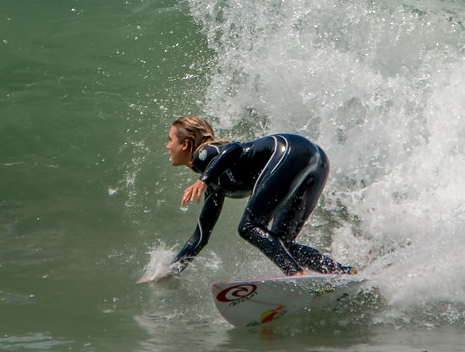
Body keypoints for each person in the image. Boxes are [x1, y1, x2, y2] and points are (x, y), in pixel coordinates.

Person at [148, 115, 353, 282]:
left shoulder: (205, 154)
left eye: (170, 140)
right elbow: (199, 238)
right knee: (281, 244)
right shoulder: (215, 186)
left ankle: (296, 275)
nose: (167, 146)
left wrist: (203, 180)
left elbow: (234, 148)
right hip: (314, 159)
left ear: (185, 144)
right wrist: (171, 271)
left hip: (288, 151)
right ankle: (342, 272)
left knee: (249, 226)